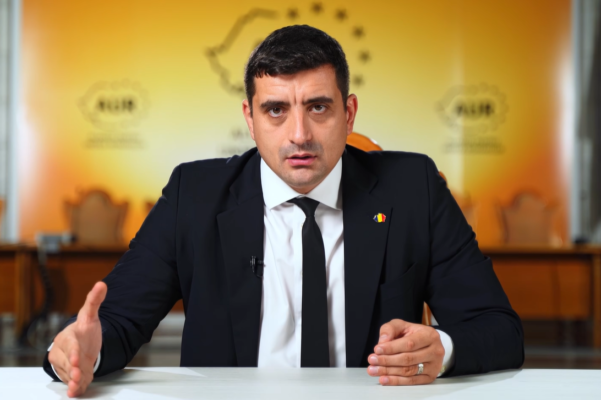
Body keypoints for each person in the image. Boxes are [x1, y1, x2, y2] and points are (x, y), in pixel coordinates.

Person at [44, 25, 524, 397]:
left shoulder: (413, 189)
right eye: (276, 110)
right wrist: (82, 349)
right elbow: (117, 322)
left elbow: (499, 329)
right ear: (250, 119)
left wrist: (442, 349)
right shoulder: (195, 195)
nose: (299, 134)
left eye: (318, 107)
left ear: (349, 114)